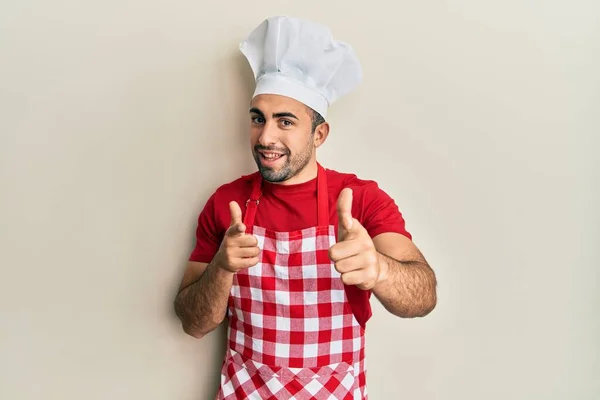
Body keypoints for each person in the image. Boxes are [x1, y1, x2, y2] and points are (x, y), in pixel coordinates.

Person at [174, 15, 437, 400]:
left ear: (319, 134)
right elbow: (193, 324)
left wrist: (378, 269)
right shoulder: (226, 203)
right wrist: (221, 268)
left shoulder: (360, 199)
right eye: (257, 119)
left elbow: (424, 297)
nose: (266, 137)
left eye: (285, 122)